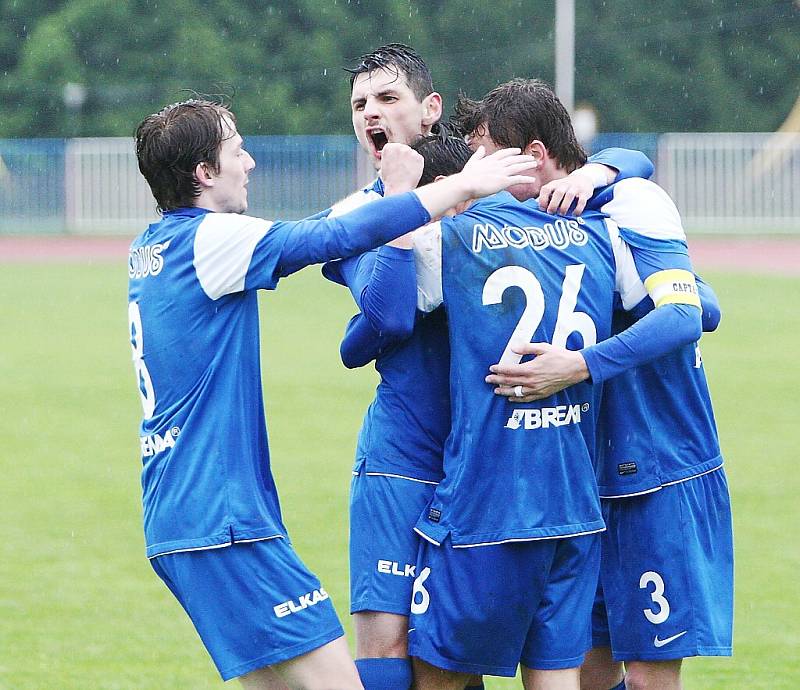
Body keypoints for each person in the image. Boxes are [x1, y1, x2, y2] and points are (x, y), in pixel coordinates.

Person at [127, 97, 536, 689]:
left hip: (186, 516)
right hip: (224, 522)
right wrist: (456, 187)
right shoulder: (211, 238)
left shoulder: (154, 247)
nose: (250, 162)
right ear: (203, 173)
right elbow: (336, 235)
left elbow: (334, 233)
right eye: (236, 148)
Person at [324, 44, 655, 690]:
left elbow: (618, 163)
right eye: (360, 103)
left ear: (430, 108)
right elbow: (382, 322)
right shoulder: (357, 212)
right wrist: (398, 209)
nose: (373, 112)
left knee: (463, 647)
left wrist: (604, 167)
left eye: (388, 98)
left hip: (490, 464)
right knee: (397, 642)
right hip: (407, 459)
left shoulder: (481, 183)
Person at [467, 80, 733, 690]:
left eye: (491, 157)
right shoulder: (523, 225)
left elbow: (689, 313)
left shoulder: (626, 202)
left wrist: (577, 367)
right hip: (583, 482)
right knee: (587, 671)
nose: (480, 173)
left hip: (660, 472)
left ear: (534, 154)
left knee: (648, 675)